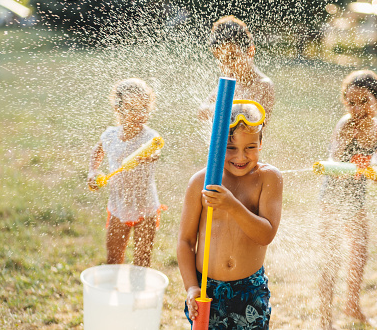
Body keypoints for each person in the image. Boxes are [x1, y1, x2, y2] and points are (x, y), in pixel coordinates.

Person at [178, 101, 283, 329]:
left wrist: (232, 206)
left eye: (250, 147)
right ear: (216, 144)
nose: (241, 156)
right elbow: (186, 241)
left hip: (249, 288)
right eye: (231, 147)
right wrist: (191, 287)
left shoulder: (268, 178)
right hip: (207, 289)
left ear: (261, 144)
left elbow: (266, 235)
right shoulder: (201, 182)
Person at [318, 70, 377, 329]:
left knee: (359, 251)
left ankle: (351, 304)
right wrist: (352, 161)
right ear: (344, 102)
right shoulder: (344, 125)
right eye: (351, 102)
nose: (357, 108)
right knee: (332, 256)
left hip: (356, 197)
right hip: (333, 198)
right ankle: (325, 317)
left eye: (364, 102)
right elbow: (335, 160)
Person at [87, 78, 166, 268]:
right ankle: (114, 292)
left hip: (145, 205)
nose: (138, 115)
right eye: (132, 109)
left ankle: (139, 295)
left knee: (142, 260)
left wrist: (150, 156)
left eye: (143, 109)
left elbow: (156, 151)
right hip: (118, 204)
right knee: (113, 258)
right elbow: (97, 151)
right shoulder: (110, 136)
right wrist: (93, 171)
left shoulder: (150, 137)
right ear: (118, 108)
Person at [198, 15, 275, 127]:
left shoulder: (263, 85)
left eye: (233, 57)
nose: (227, 65)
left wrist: (225, 108)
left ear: (250, 52)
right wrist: (219, 108)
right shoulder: (230, 83)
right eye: (221, 60)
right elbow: (202, 111)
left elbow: (255, 125)